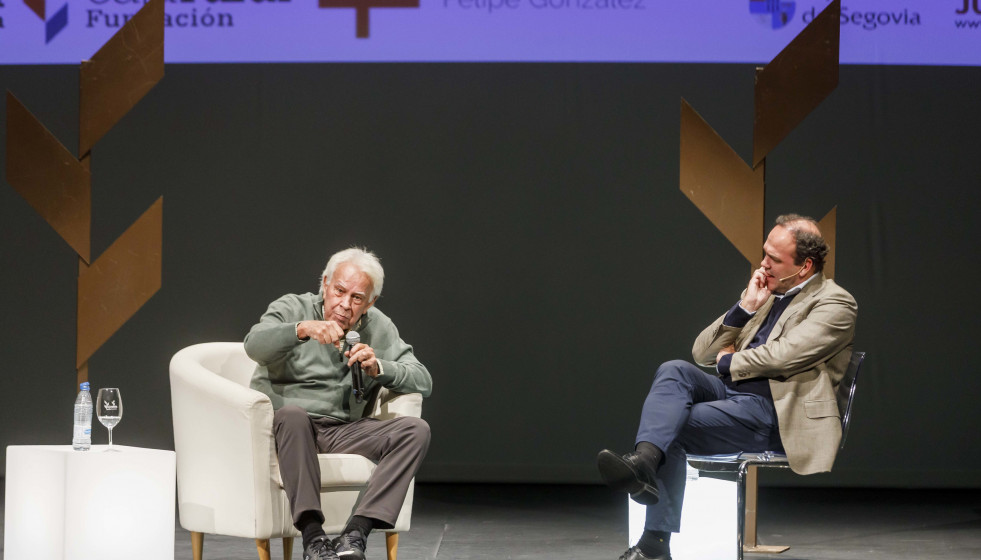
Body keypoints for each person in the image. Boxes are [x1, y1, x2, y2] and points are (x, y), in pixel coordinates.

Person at [597, 214, 857, 560]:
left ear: (805, 266)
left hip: (775, 413)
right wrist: (745, 308)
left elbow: (783, 356)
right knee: (674, 370)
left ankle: (654, 544)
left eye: (775, 260)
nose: (764, 264)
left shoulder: (835, 303)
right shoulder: (766, 293)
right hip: (734, 395)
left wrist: (727, 362)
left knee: (676, 424)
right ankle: (644, 462)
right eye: (765, 253)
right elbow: (701, 352)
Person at [245, 247, 433, 560]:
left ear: (369, 302)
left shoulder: (378, 327)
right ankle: (313, 537)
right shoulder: (294, 307)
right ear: (325, 283)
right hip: (290, 428)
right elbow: (254, 344)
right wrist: (301, 329)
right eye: (339, 291)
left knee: (416, 431)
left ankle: (355, 533)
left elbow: (423, 379)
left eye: (357, 298)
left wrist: (379, 367)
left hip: (342, 430)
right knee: (293, 415)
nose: (344, 305)